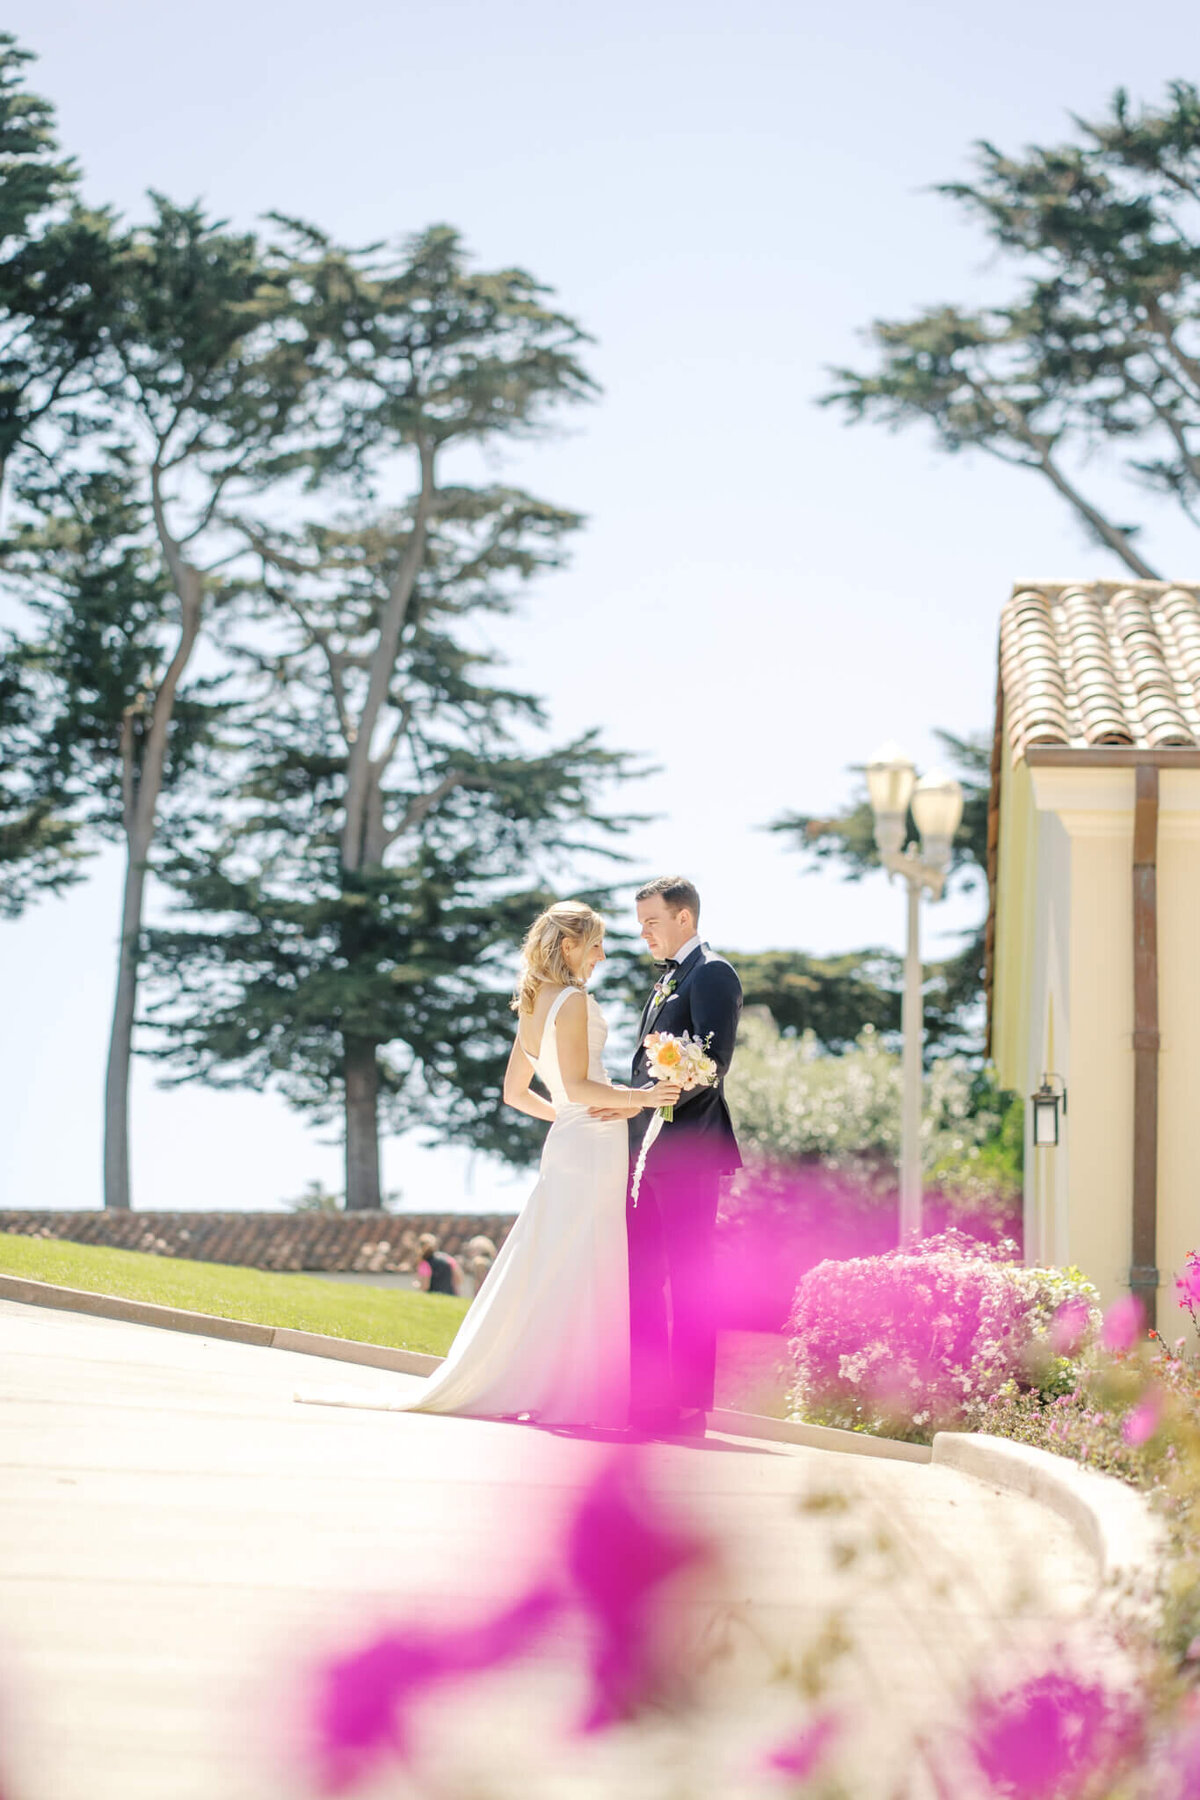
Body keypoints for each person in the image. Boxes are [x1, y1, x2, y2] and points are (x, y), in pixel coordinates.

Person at [294, 900, 679, 1429]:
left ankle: (554, 1386)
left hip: (574, 1141)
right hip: (589, 1147)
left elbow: (515, 1092)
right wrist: (644, 1098)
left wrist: (570, 1117)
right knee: (583, 1263)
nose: (602, 956)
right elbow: (579, 1085)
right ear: (569, 946)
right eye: (595, 946)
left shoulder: (532, 1004)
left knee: (560, 1261)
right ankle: (575, 1393)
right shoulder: (571, 1000)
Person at [594, 876, 742, 1439]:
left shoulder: (713, 972)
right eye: (640, 925)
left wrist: (656, 1101)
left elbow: (712, 1061)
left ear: (684, 918)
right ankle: (647, 1401)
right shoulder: (668, 980)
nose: (644, 934)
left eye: (651, 922)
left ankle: (688, 1410)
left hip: (688, 1153)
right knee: (642, 1278)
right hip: (643, 1156)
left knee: (689, 1279)